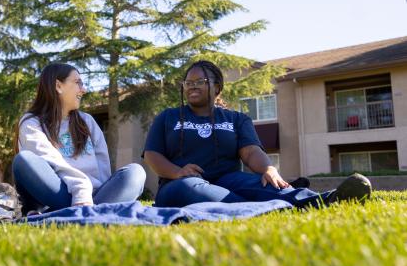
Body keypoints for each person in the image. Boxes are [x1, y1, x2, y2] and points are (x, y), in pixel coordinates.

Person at [143, 60, 372, 208]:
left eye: (200, 81)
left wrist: (268, 169)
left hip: (227, 181)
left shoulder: (236, 119)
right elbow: (153, 155)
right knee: (189, 187)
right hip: (178, 185)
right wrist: (177, 172)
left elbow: (251, 151)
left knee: (263, 184)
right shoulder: (168, 117)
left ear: (218, 88)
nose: (192, 86)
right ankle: (261, 208)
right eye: (188, 82)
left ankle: (328, 200)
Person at [13, 63, 146, 213]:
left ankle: (87, 211)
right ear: (58, 86)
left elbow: (103, 168)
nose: (83, 90)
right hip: (59, 193)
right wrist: (81, 188)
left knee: (136, 172)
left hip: (94, 198)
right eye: (78, 83)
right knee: (23, 160)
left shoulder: (87, 121)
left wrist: (101, 194)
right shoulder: (31, 122)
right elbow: (48, 159)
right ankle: (97, 212)